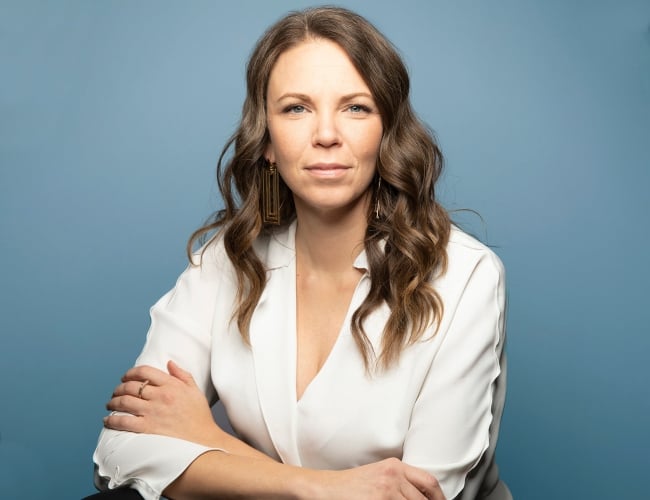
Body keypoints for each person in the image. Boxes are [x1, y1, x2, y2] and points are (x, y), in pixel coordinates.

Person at [92, 6, 511, 500]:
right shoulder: (225, 262)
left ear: (387, 131)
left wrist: (208, 441)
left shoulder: (465, 275)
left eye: (356, 107)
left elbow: (420, 496)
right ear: (267, 140)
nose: (326, 134)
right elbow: (119, 452)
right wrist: (319, 488)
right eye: (296, 108)